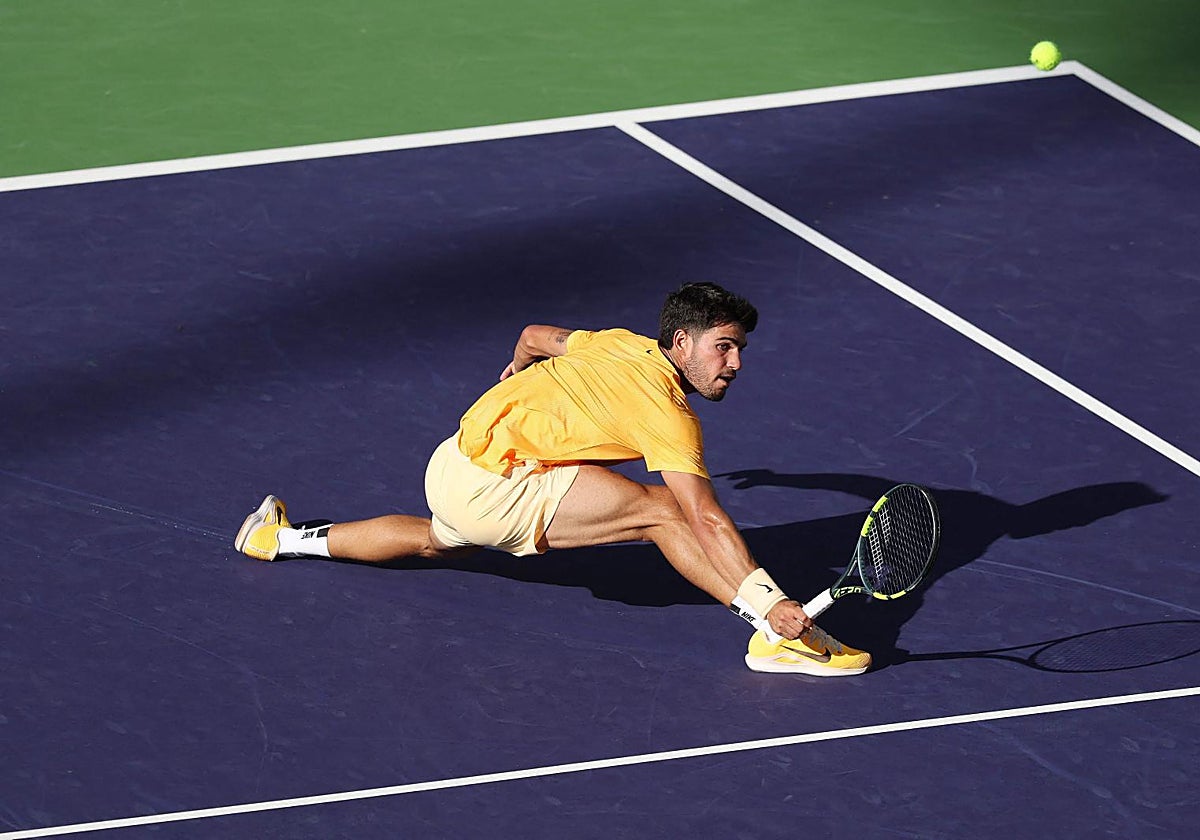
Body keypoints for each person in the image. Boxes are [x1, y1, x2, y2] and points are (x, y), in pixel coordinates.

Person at [234, 282, 870, 676]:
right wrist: (773, 598)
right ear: (681, 341)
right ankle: (773, 634)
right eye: (723, 346)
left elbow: (534, 336)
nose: (735, 363)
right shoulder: (668, 414)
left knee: (435, 540)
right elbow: (703, 517)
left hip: (452, 462)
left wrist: (515, 371)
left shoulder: (617, 343)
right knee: (663, 512)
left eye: (740, 351)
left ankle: (278, 539)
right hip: (497, 490)